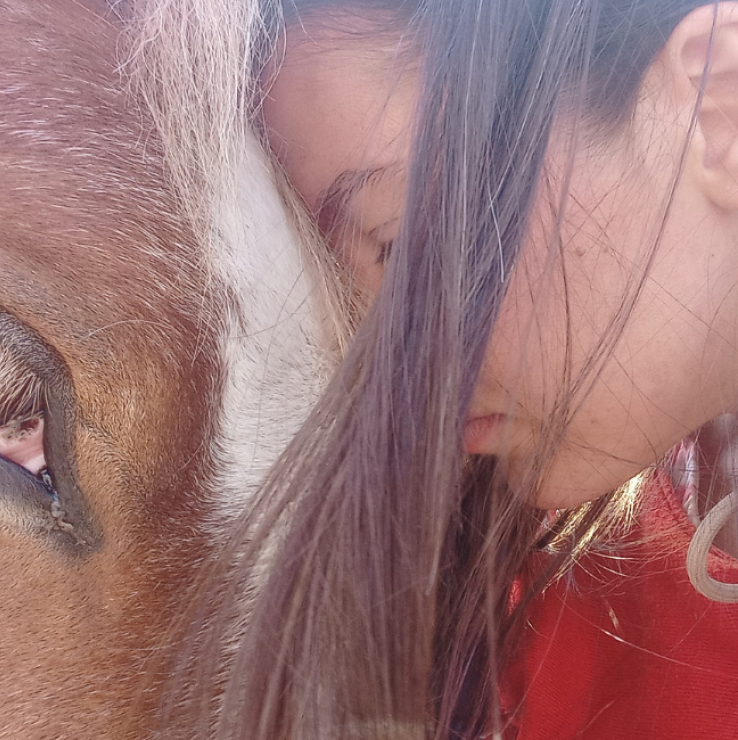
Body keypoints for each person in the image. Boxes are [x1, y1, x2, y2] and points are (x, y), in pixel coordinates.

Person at [181, 0, 738, 738]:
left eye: (401, 242)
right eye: (334, 292)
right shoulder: (513, 615)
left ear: (719, 108)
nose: (375, 361)